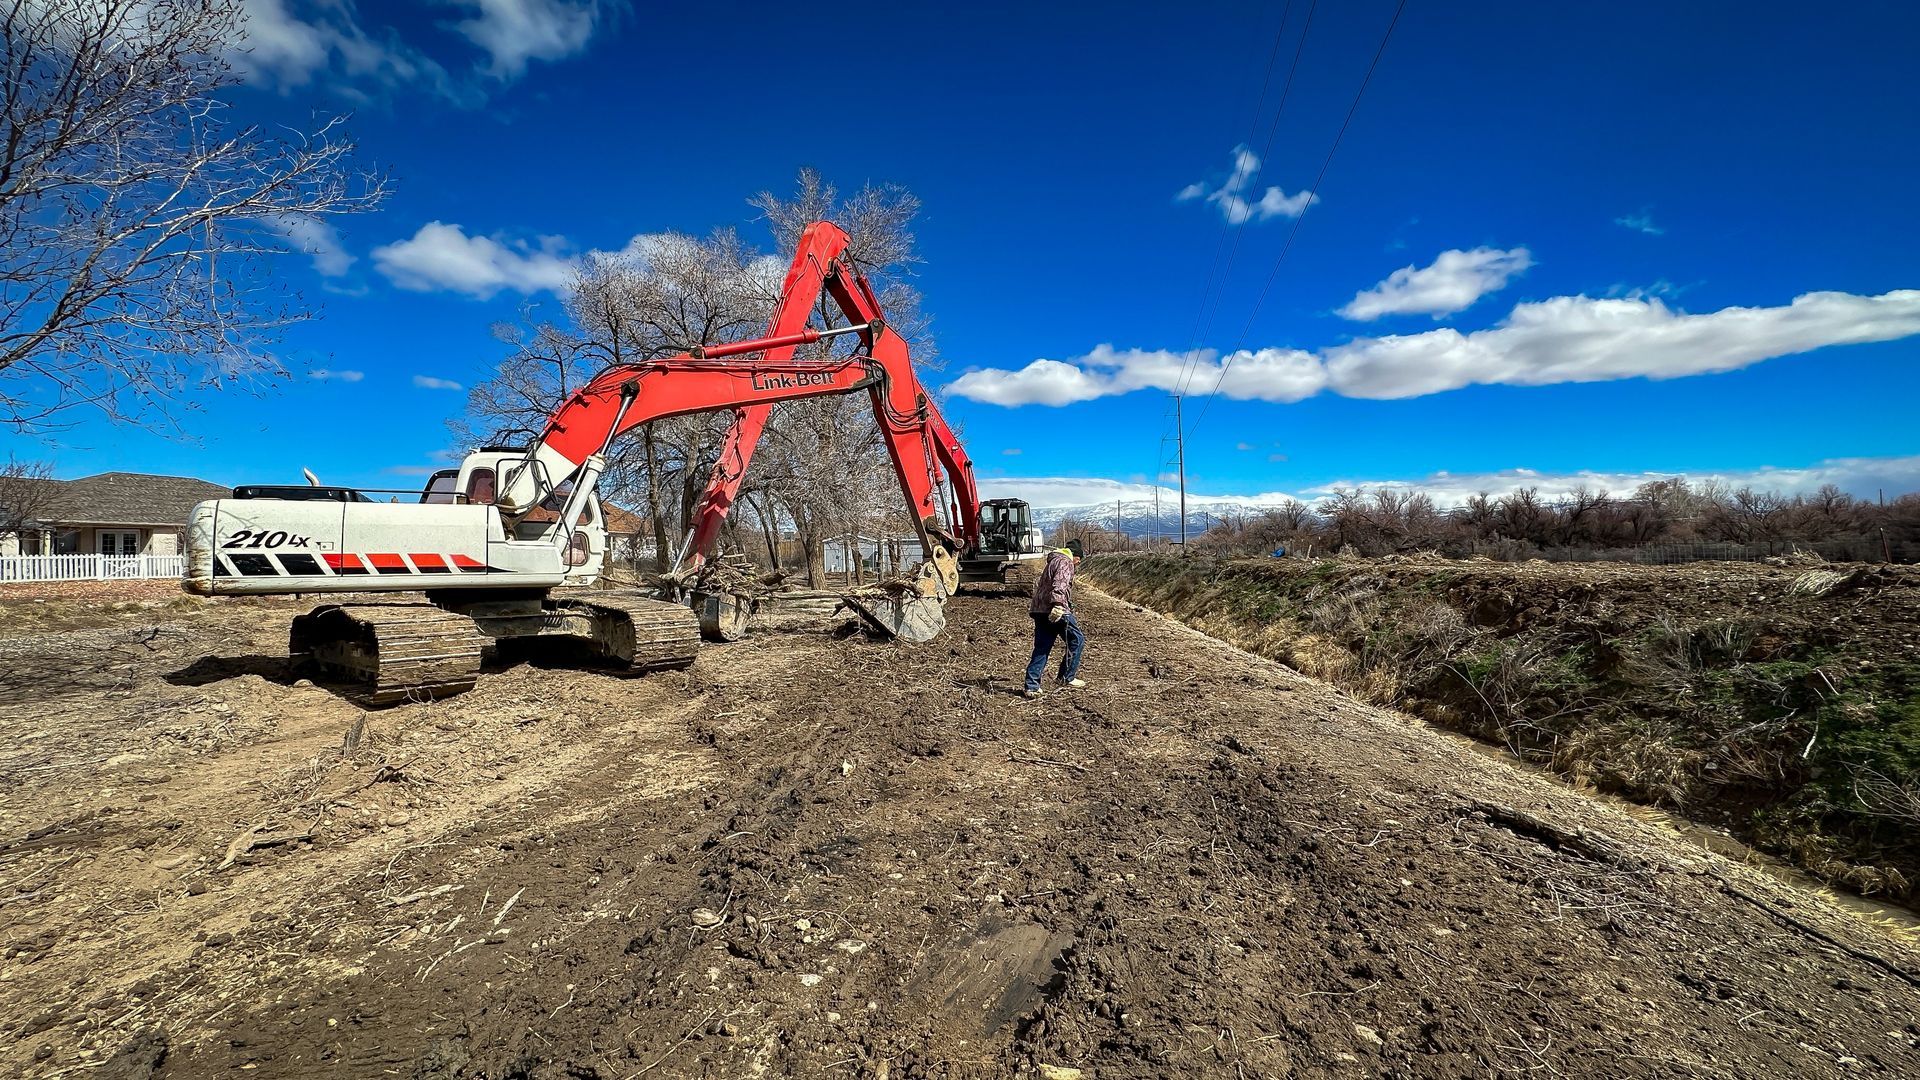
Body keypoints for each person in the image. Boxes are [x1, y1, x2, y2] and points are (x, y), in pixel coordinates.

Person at [1023, 539, 1086, 698]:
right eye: (1079, 560)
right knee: (1077, 639)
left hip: (1039, 609)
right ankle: (1066, 677)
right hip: (1054, 609)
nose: (1078, 563)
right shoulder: (1066, 562)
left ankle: (1031, 686)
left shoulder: (1053, 561)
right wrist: (1058, 604)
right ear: (1075, 556)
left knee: (1042, 647)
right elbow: (1060, 583)